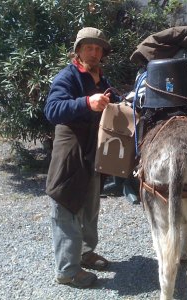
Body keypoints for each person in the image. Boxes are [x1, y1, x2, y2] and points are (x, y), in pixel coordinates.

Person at [44, 27, 117, 288]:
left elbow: (115, 102)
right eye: (89, 47)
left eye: (98, 49)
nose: (94, 52)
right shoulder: (68, 76)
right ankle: (66, 271)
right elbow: (52, 110)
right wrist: (86, 103)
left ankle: (85, 253)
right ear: (78, 51)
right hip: (71, 155)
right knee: (66, 208)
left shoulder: (101, 80)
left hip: (93, 155)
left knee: (90, 209)